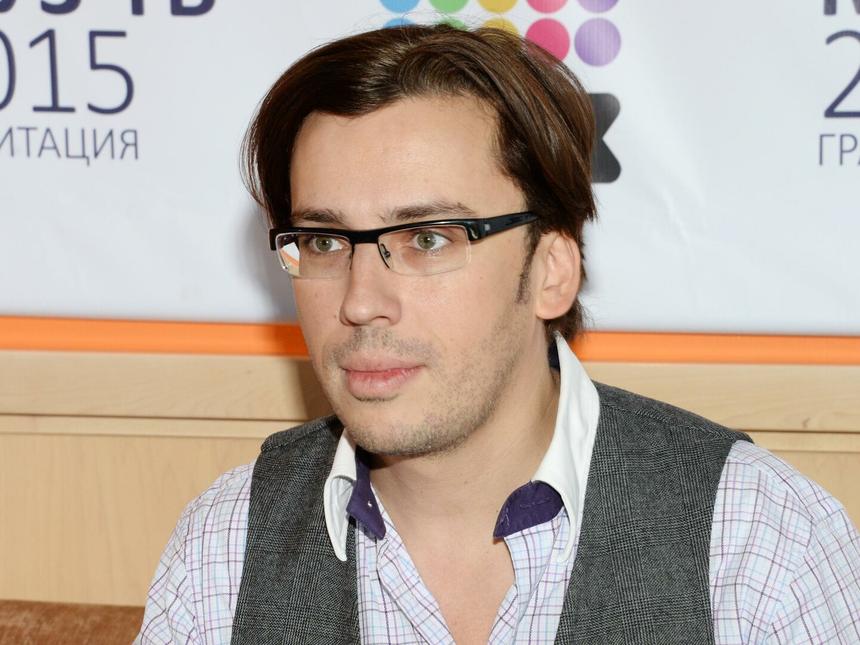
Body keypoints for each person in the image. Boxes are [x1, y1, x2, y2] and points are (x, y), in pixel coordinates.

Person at [136, 24, 860, 645]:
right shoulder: (225, 546)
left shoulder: (758, 541)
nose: (359, 302)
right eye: (324, 241)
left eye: (427, 238)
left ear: (551, 270)